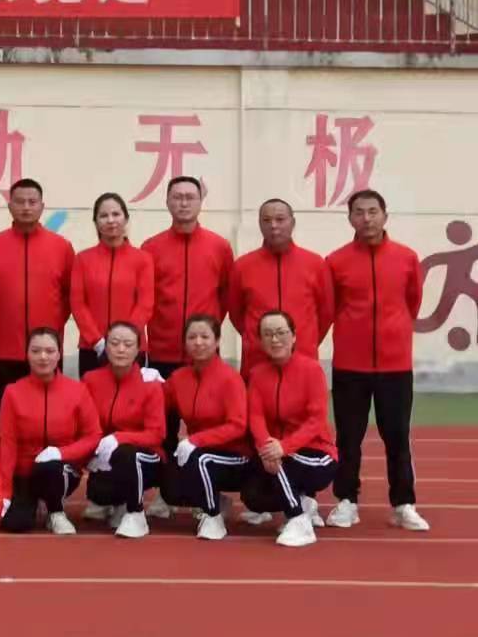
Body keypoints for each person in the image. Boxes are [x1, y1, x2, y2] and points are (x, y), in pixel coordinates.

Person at [325, 190, 429, 532]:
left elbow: (412, 302)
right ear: (350, 218)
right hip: (349, 365)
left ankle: (403, 503)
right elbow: (330, 307)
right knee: (348, 436)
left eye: (373, 211)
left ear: (385, 215)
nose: (366, 218)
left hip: (395, 365)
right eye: (359, 212)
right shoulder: (336, 261)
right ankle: (346, 501)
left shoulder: (406, 258)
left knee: (397, 435)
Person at [141, 176, 233, 453]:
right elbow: (145, 297)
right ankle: (165, 479)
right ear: (167, 202)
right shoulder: (151, 248)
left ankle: (205, 477)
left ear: (201, 201)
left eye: (190, 197)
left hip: (204, 353)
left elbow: (226, 294)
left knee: (208, 426)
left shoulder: (219, 246)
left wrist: (208, 333)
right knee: (162, 428)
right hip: (163, 352)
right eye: (177, 197)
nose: (183, 203)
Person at [242, 310, 338, 548]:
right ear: (261, 340)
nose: (275, 339)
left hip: (318, 454)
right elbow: (255, 416)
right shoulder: (257, 374)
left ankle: (298, 519)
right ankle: (303, 503)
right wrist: (267, 449)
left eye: (281, 332)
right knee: (252, 496)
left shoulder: (312, 370)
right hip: (276, 451)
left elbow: (316, 420)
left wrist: (283, 447)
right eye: (267, 334)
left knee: (282, 464)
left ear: (293, 336)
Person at [0, 179, 74, 413]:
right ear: (10, 206)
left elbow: (70, 294)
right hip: (4, 349)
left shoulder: (61, 247)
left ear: (42, 206)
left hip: (46, 350)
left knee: (48, 413)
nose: (26, 207)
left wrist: (53, 323)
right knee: (4, 413)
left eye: (32, 202)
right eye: (20, 202)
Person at [0, 327, 101, 535]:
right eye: (36, 351)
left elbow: (93, 435)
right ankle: (33, 503)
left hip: (61, 470)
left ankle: (56, 511)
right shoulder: (12, 392)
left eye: (50, 351)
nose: (43, 357)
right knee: (15, 523)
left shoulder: (78, 391)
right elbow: (8, 444)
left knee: (52, 469)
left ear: (59, 354)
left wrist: (61, 453)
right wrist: (5, 493)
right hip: (26, 474)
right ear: (27, 354)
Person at [159, 315, 251, 541]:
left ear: (217, 341)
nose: (198, 342)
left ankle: (212, 515)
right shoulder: (179, 378)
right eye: (192, 337)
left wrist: (195, 441)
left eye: (204, 337)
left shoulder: (230, 379)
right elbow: (157, 402)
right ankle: (215, 499)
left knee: (201, 459)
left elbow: (238, 425)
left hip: (235, 455)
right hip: (198, 452)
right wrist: (142, 382)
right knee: (170, 486)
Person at [228, 199, 333, 378]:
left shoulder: (315, 264)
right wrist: (256, 337)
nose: (273, 225)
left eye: (280, 219)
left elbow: (326, 313)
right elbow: (236, 313)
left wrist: (305, 340)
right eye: (266, 220)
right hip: (257, 360)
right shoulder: (242, 266)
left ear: (292, 222)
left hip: (303, 358)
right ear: (259, 224)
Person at [79, 321, 165, 538]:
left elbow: (157, 433)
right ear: (106, 347)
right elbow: (83, 424)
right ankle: (117, 502)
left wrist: (119, 438)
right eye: (114, 343)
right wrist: (92, 450)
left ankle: (135, 512)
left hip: (143, 456)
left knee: (127, 453)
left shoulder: (149, 383)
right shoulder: (90, 380)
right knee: (99, 493)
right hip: (103, 456)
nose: (120, 349)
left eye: (128, 344)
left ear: (138, 350)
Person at [71, 193, 154, 377]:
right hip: (92, 349)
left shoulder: (143, 259)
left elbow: (145, 304)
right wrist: (98, 342)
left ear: (126, 218)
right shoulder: (82, 259)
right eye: (103, 215)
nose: (110, 220)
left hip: (132, 348)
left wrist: (125, 341)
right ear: (95, 222)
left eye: (116, 214)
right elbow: (78, 304)